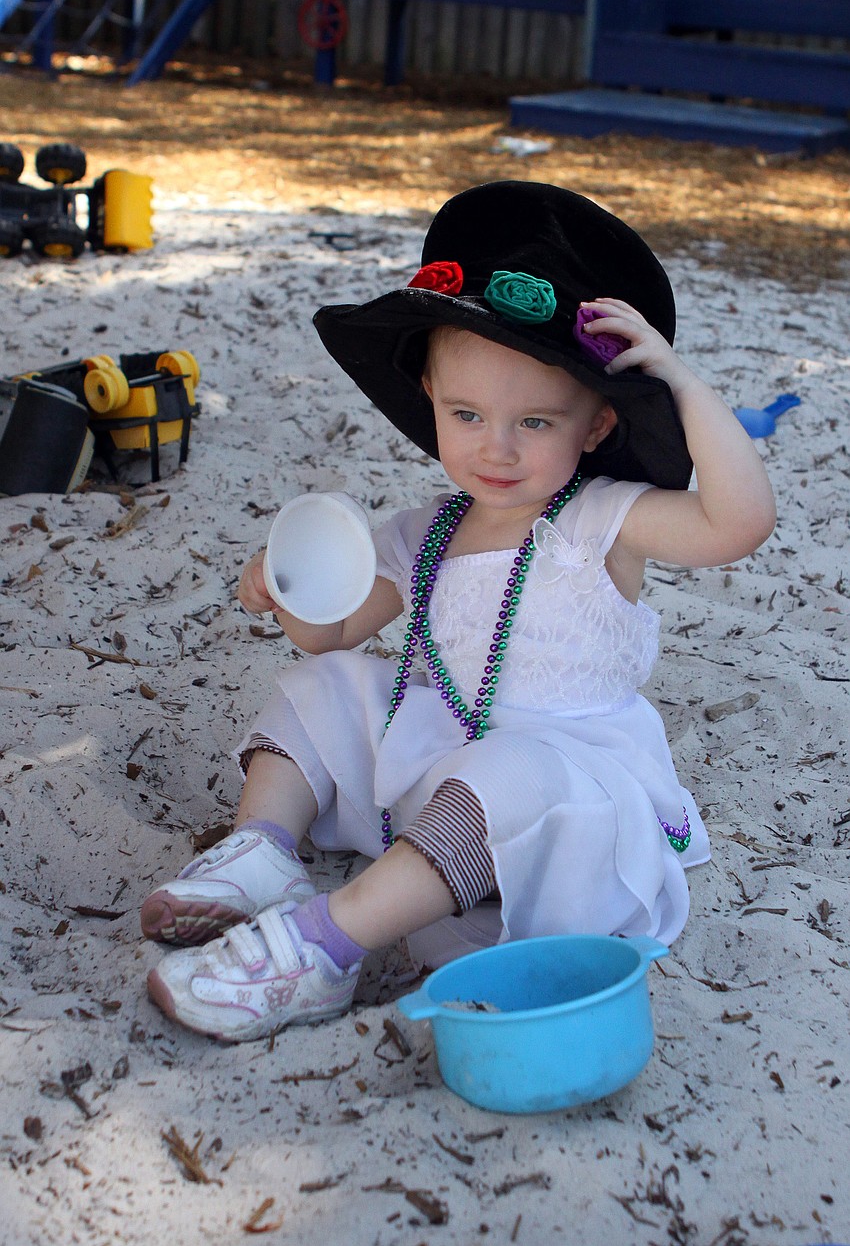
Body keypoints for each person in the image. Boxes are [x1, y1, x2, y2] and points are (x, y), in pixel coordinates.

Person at [142, 181, 776, 1043]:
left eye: (535, 421)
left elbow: (740, 522)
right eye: (466, 414)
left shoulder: (603, 520)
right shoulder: (425, 531)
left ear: (596, 426)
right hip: (438, 762)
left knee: (503, 777)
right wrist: (289, 588)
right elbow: (331, 632)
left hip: (561, 794)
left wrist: (680, 381)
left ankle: (327, 942)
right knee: (321, 685)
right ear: (429, 395)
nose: (496, 447)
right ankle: (263, 849)